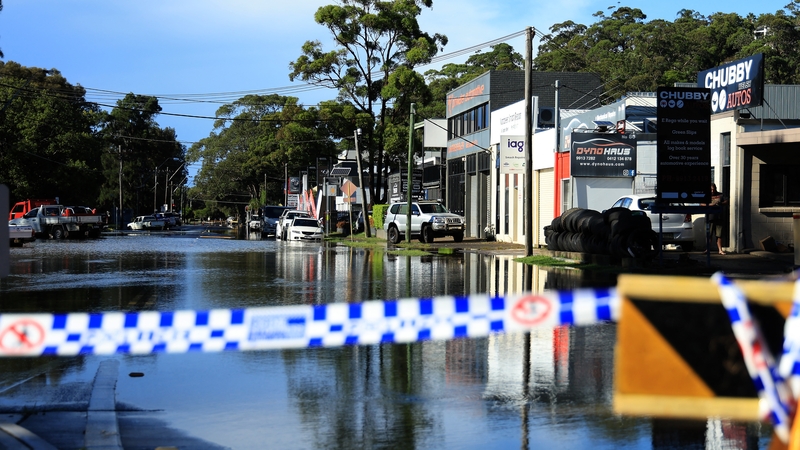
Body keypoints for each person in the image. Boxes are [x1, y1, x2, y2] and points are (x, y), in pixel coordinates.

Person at [705, 183, 727, 255]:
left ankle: (720, 250)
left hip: (719, 217)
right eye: (711, 189)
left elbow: (726, 201)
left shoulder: (721, 195)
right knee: (709, 234)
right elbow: (701, 204)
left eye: (713, 189)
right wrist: (710, 205)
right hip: (709, 217)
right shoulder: (706, 195)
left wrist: (720, 202)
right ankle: (708, 249)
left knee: (719, 235)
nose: (712, 191)